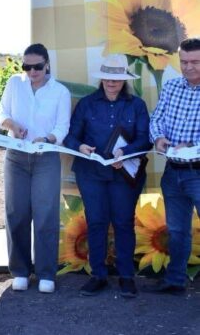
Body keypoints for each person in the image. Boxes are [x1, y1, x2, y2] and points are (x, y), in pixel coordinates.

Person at [64, 56, 151, 298]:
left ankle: (126, 277)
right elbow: (71, 137)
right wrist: (80, 147)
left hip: (124, 173)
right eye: (108, 78)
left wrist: (126, 152)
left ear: (124, 81)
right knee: (96, 222)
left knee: (123, 222)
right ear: (102, 78)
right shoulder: (86, 104)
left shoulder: (137, 105)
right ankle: (98, 275)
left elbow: (145, 139)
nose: (112, 83)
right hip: (91, 173)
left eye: (117, 79)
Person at [0, 43, 71, 293]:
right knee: (16, 213)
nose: (32, 72)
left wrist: (48, 138)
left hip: (46, 157)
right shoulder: (14, 84)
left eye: (37, 66)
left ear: (47, 64)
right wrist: (12, 125)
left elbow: (62, 127)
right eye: (26, 67)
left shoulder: (60, 92)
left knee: (46, 214)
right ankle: (20, 271)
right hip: (16, 156)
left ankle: (46, 272)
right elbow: (1, 113)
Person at [148, 37, 200, 294]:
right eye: (184, 61)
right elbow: (156, 119)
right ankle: (176, 280)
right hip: (173, 172)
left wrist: (192, 145)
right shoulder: (171, 87)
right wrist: (158, 137)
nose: (189, 67)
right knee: (177, 230)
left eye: (195, 62)